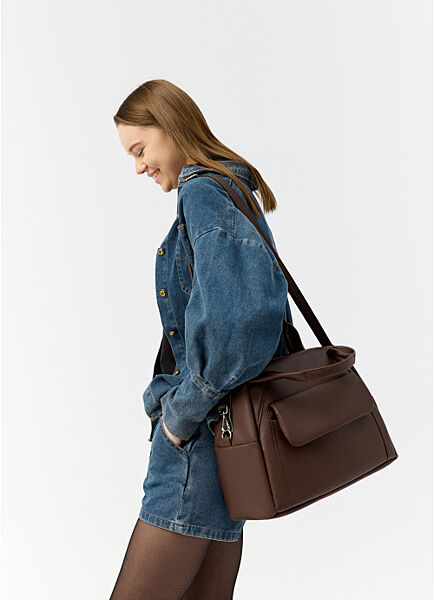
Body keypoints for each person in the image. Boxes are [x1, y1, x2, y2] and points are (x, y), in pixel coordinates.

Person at [109, 79, 293, 599]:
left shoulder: (204, 193)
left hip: (198, 444)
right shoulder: (228, 188)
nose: (139, 167)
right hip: (227, 446)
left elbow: (240, 327)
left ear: (170, 126)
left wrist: (178, 417)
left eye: (140, 150)